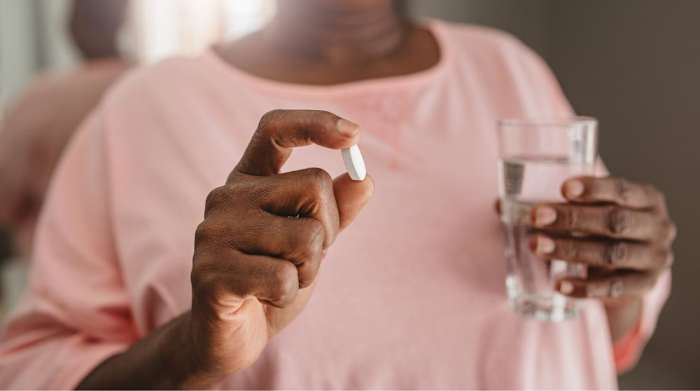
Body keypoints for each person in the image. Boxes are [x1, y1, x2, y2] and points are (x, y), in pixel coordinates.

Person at [0, 0, 674, 388]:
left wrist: (622, 267)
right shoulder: (144, 113)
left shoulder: (511, 70)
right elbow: (31, 371)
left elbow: (600, 327)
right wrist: (192, 351)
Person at [0, 0, 130, 256]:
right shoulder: (157, 89)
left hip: (58, 268)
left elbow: (5, 198)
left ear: (70, 31)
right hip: (144, 267)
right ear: (123, 24)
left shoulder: (38, 101)